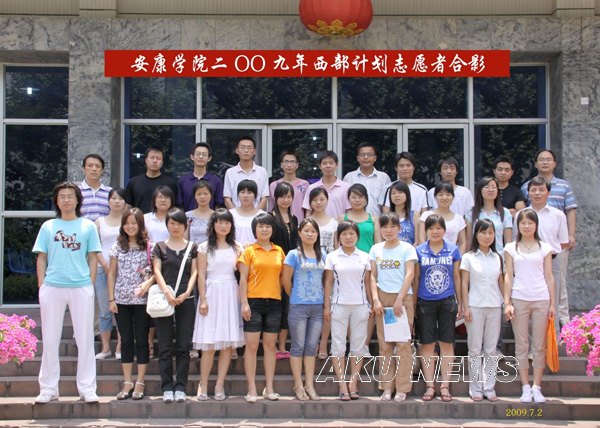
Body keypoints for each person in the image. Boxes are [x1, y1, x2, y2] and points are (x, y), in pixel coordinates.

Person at [32, 182, 102, 404]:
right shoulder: (48, 226)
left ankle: (87, 389)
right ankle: (48, 389)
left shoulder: (87, 226)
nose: (66, 200)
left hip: (81, 286)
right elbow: (41, 257)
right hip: (53, 286)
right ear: (56, 201)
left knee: (85, 339)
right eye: (62, 196)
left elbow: (93, 257)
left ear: (78, 200)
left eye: (70, 196)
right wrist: (42, 285)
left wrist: (90, 284)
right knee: (50, 338)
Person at [504, 208, 555, 403]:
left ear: (536, 225)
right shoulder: (511, 248)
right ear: (518, 225)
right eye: (523, 223)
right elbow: (508, 276)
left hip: (541, 298)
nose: (526, 226)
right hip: (519, 297)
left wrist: (552, 304)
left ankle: (537, 386)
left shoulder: (545, 248)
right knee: (522, 344)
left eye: (530, 223)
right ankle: (525, 386)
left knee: (539, 345)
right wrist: (507, 302)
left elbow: (549, 276)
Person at [192, 209, 244, 401]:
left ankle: (219, 385)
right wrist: (203, 299)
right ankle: (203, 384)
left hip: (230, 293)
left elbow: (243, 274)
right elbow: (201, 275)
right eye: (220, 222)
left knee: (227, 345)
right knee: (209, 345)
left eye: (227, 222)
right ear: (213, 225)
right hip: (211, 293)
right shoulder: (204, 247)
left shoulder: (237, 247)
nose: (223, 226)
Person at [521, 149, 576, 328]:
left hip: (556, 244)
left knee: (559, 285)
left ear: (554, 163)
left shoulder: (564, 186)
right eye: (541, 159)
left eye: (548, 159)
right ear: (536, 164)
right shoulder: (526, 186)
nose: (545, 162)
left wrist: (571, 234)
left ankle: (563, 323)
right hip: (531, 249)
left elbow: (570, 210)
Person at [107, 207, 155, 401]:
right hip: (121, 300)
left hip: (143, 300)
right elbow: (111, 273)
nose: (130, 226)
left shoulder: (150, 246)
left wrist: (147, 283)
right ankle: (127, 381)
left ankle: (140, 381)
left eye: (134, 223)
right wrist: (111, 299)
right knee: (126, 340)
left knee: (142, 340)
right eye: (127, 223)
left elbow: (156, 273)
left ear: (140, 224)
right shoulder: (117, 246)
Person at [151, 208, 198, 403]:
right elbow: (157, 271)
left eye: (179, 223)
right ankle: (167, 387)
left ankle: (181, 387)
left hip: (186, 300)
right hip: (165, 300)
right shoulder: (159, 247)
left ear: (185, 226)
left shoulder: (193, 247)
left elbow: (195, 272)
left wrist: (187, 292)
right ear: (167, 225)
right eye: (172, 223)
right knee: (164, 345)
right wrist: (167, 293)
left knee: (183, 345)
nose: (175, 227)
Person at [369, 213, 417, 402]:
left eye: (392, 226)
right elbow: (373, 276)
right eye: (384, 227)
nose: (388, 230)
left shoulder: (407, 248)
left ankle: (402, 388)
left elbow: (410, 274)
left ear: (399, 228)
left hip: (402, 298)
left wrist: (400, 299)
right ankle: (387, 387)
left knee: (403, 345)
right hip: (382, 298)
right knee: (385, 345)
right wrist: (375, 299)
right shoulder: (376, 249)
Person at [238, 213, 285, 403]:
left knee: (270, 345)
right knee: (251, 345)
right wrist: (244, 303)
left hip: (274, 302)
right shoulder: (249, 251)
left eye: (268, 226)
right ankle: (251, 388)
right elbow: (242, 279)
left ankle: (269, 388)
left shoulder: (279, 251)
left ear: (272, 230)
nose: (264, 229)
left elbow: (282, 277)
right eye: (260, 226)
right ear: (254, 230)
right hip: (253, 302)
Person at [415, 214, 462, 402]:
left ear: (444, 230)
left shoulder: (453, 250)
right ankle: (429, 385)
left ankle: (445, 385)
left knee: (446, 343)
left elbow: (457, 277)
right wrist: (413, 303)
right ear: (426, 231)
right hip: (425, 302)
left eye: (438, 228)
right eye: (431, 228)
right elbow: (416, 278)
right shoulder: (419, 251)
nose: (435, 232)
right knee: (427, 344)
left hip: (447, 301)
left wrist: (460, 301)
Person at [324, 221, 372, 401]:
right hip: (339, 305)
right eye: (344, 234)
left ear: (357, 236)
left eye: (351, 233)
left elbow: (368, 282)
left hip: (360, 306)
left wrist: (371, 303)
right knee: (338, 346)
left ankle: (353, 383)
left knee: (358, 347)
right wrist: (327, 306)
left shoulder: (365, 256)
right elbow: (328, 282)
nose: (348, 237)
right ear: (339, 237)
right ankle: (342, 384)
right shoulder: (332, 257)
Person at [281, 218, 326, 401]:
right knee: (298, 346)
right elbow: (285, 280)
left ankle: (310, 384)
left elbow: (326, 280)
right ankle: (298, 385)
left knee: (311, 346)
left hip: (317, 307)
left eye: (313, 231)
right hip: (298, 306)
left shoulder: (323, 254)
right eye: (306, 230)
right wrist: (295, 296)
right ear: (299, 233)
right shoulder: (293, 254)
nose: (310, 234)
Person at [460, 219, 503, 402]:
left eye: (490, 233)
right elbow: (464, 283)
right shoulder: (468, 257)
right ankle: (476, 387)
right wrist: (465, 306)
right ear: (476, 235)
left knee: (491, 350)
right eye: (483, 232)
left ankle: (489, 387)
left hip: (494, 306)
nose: (487, 236)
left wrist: (506, 302)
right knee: (475, 349)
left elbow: (501, 282)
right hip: (475, 306)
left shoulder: (497, 257)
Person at [525, 177, 568, 333]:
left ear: (548, 193)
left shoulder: (558, 215)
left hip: (553, 262)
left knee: (552, 303)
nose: (537, 193)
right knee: (529, 303)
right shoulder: (522, 215)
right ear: (528, 193)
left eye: (541, 190)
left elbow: (563, 242)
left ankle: (553, 342)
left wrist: (547, 255)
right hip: (528, 264)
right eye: (533, 190)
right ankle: (533, 344)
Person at [306, 187, 338, 359]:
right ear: (310, 202)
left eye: (322, 199)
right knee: (312, 308)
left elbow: (337, 247)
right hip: (310, 269)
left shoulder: (334, 222)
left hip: (329, 269)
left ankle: (324, 343)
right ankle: (312, 342)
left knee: (328, 306)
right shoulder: (306, 221)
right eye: (315, 200)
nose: (318, 203)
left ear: (327, 201)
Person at [94, 187, 126, 360]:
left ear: (125, 202)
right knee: (105, 311)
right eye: (113, 198)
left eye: (120, 198)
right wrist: (105, 265)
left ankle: (120, 347)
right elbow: (94, 247)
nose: (117, 201)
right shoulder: (99, 222)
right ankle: (105, 348)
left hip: (124, 271)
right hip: (103, 270)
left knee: (121, 310)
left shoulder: (128, 221)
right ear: (108, 201)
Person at [270, 182, 299, 360]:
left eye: (288, 196)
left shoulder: (294, 219)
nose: (285, 200)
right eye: (282, 196)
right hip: (274, 268)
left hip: (291, 268)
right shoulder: (270, 218)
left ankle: (282, 345)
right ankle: (272, 345)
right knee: (275, 307)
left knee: (287, 307)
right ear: (276, 198)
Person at [466, 177, 512, 256]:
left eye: (494, 187)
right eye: (487, 187)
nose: (491, 190)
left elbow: (508, 242)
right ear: (480, 190)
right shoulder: (471, 213)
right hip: (476, 257)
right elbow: (469, 240)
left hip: (498, 256)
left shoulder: (505, 213)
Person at [343, 142, 391, 216]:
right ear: (358, 158)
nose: (366, 157)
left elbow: (388, 202)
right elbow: (345, 202)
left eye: (369, 154)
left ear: (375, 158)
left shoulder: (384, 178)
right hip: (354, 221)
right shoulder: (349, 177)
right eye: (362, 154)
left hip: (378, 221)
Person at [125, 147, 178, 214]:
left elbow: (175, 208)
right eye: (152, 158)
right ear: (146, 160)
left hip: (163, 220)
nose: (155, 161)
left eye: (158, 158)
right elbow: (128, 206)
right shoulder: (134, 182)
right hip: (139, 219)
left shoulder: (171, 184)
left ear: (162, 163)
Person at [419, 182, 467, 254]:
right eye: (440, 195)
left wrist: (459, 258)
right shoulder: (426, 216)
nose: (444, 198)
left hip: (451, 257)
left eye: (448, 194)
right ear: (435, 197)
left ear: (453, 197)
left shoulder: (459, 219)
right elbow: (421, 239)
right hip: (429, 257)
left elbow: (462, 243)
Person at [223, 136, 269, 210]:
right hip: (235, 215)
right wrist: (236, 215)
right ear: (237, 151)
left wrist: (256, 214)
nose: (246, 150)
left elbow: (264, 197)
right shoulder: (230, 172)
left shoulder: (262, 172)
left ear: (254, 151)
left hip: (257, 215)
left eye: (249, 148)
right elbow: (227, 198)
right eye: (243, 147)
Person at [302, 150, 350, 218]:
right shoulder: (312, 188)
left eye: (331, 163)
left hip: (339, 224)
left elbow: (349, 212)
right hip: (317, 224)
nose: (328, 166)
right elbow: (308, 212)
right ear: (320, 166)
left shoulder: (346, 187)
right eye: (324, 163)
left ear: (337, 165)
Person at [178, 142, 224, 211]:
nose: (201, 157)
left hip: (210, 217)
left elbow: (219, 205)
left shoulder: (216, 181)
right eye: (198, 154)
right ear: (192, 157)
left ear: (209, 158)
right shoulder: (183, 181)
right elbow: (179, 205)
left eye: (204, 154)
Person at [338, 183, 380, 254]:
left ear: (366, 199)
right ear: (348, 199)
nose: (357, 200)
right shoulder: (342, 218)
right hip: (346, 258)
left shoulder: (374, 219)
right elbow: (337, 242)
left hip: (368, 258)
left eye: (360, 197)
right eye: (353, 197)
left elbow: (378, 243)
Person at [269, 150, 309, 221]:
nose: (289, 165)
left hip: (300, 224)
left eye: (292, 162)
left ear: (297, 165)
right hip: (279, 224)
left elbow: (308, 209)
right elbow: (271, 208)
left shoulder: (305, 185)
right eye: (286, 161)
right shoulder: (274, 185)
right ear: (281, 164)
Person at [229, 179, 265, 247]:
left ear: (255, 195)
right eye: (242, 192)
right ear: (238, 194)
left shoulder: (263, 215)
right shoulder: (230, 214)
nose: (245, 195)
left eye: (249, 192)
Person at [385, 180, 420, 245]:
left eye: (400, 192)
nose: (396, 195)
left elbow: (417, 241)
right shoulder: (386, 216)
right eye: (393, 193)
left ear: (407, 195)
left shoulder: (415, 214)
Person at [79, 153, 111, 221]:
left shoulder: (110, 192)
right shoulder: (76, 191)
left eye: (97, 166)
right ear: (84, 169)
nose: (94, 169)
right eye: (90, 166)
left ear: (102, 171)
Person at [185, 180, 214, 245]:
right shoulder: (188, 216)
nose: (202, 197)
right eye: (199, 194)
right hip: (192, 250)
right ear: (194, 196)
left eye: (205, 194)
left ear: (211, 195)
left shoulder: (216, 216)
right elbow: (185, 239)